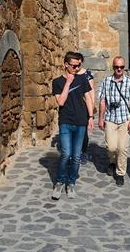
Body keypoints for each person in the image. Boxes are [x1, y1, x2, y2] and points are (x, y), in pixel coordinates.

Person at [51, 51, 95, 200]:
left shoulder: (82, 79)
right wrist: (68, 83)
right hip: (65, 122)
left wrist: (90, 117)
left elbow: (88, 98)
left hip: (81, 121)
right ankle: (60, 181)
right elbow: (61, 102)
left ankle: (71, 183)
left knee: (76, 157)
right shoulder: (57, 82)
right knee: (66, 154)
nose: (77, 69)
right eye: (74, 66)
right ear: (66, 65)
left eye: (79, 66)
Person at [98, 56, 130, 187]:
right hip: (110, 118)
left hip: (125, 119)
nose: (119, 69)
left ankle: (120, 173)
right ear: (113, 67)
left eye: (121, 67)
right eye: (116, 67)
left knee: (122, 148)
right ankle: (112, 161)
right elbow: (103, 100)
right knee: (111, 147)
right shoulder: (106, 81)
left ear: (124, 67)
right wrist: (100, 118)